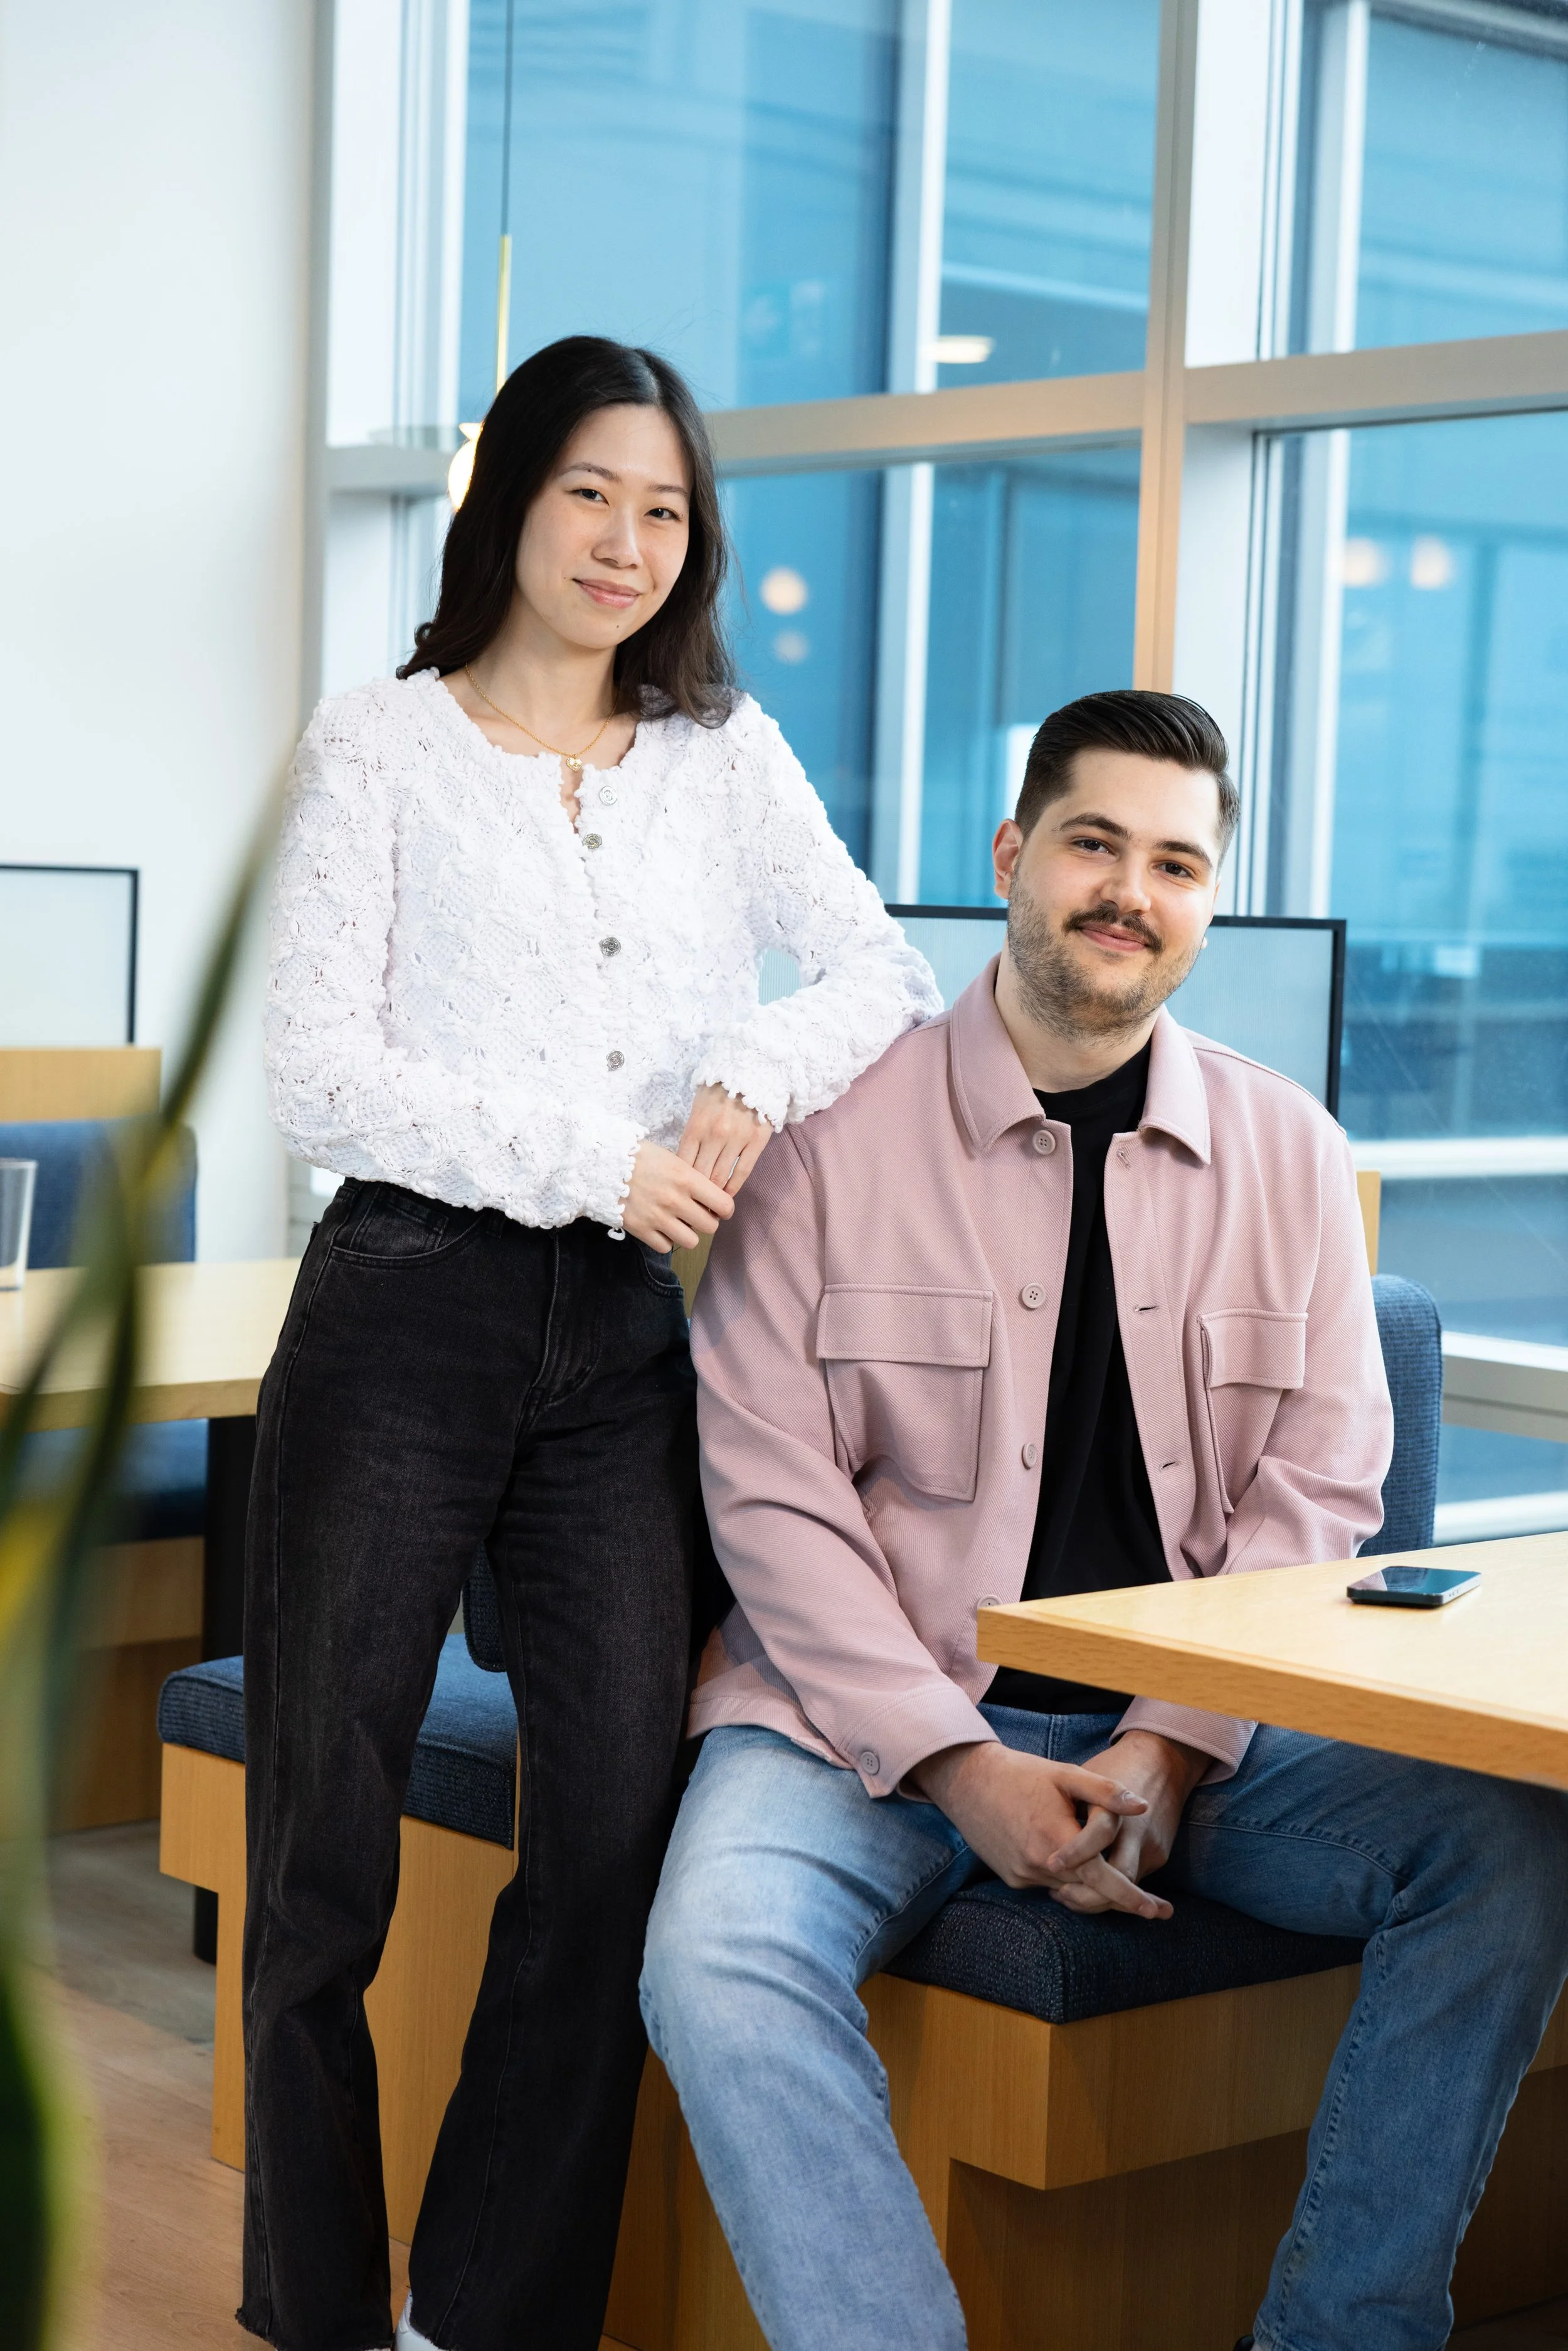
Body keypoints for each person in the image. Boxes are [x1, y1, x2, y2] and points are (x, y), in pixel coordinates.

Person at [639, 689, 1568, 2351]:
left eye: (1173, 861)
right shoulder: (828, 1143)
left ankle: (1338, 2331)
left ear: (1208, 899)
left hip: (1205, 1753)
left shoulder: (1288, 1152)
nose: (1126, 890)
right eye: (1090, 843)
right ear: (1010, 855)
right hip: (851, 1718)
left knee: (1508, 1842)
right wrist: (953, 1760)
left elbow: (1319, 1494)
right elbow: (769, 1501)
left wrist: (1166, 1747)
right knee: (713, 1955)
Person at [242, 334, 939, 2351]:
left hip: (634, 1347)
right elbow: (315, 1071)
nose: (630, 542)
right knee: (322, 1842)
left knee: (616, 1823)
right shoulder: (380, 738)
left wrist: (744, 1061)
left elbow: (882, 967)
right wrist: (593, 1161)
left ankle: (484, 2310)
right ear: (508, 503)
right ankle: (315, 2311)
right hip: (405, 1308)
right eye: (589, 495)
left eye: (667, 508)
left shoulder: (723, 750)